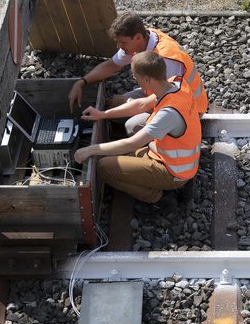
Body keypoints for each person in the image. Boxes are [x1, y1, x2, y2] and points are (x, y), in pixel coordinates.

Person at [74, 51, 200, 214]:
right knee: (124, 159)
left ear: (147, 78)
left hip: (174, 171)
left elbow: (132, 143)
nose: (134, 79)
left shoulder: (168, 114)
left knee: (104, 167)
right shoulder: (175, 83)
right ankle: (178, 185)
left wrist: (91, 149)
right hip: (173, 160)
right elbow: (141, 105)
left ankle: (160, 199)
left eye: (136, 76)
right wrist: (102, 114)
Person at [67, 12, 207, 135]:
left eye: (122, 43)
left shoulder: (166, 59)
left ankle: (149, 153)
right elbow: (111, 65)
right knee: (112, 108)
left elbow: (166, 99)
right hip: (157, 93)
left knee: (132, 126)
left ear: (138, 37)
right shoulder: (142, 40)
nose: (119, 47)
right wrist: (81, 82)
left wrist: (127, 102)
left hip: (187, 108)